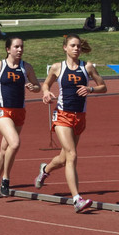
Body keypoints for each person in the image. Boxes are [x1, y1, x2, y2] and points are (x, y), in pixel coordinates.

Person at [35, 34, 106, 213]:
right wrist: (45, 93)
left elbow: (103, 86)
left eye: (78, 46)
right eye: (72, 46)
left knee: (64, 158)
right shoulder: (57, 67)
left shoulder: (87, 67)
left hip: (79, 117)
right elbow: (46, 84)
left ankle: (45, 169)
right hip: (62, 116)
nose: (76, 49)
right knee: (72, 155)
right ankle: (77, 199)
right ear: (65, 48)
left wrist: (90, 89)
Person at [0, 37, 41, 198]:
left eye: (22, 47)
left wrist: (32, 87)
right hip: (2, 110)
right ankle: (6, 178)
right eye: (16, 47)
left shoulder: (26, 67)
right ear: (8, 49)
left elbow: (38, 87)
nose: (20, 50)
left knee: (4, 149)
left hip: (19, 112)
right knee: (14, 144)